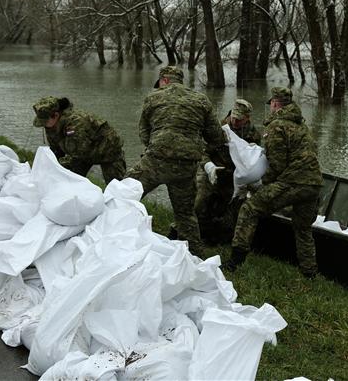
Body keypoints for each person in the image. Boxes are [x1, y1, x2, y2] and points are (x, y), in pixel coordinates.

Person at [126, 66, 225, 256]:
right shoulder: (200, 100)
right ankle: (196, 258)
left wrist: (155, 148)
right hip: (186, 166)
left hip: (156, 161)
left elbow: (144, 132)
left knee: (126, 194)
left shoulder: (153, 97)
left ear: (163, 80)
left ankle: (116, 237)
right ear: (180, 81)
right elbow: (216, 137)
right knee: (185, 214)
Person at [227, 87, 323, 277]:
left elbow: (276, 165)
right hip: (314, 184)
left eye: (271, 103)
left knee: (249, 209)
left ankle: (234, 263)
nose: (270, 107)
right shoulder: (302, 126)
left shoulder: (276, 126)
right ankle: (310, 273)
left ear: (275, 104)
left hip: (293, 181)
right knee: (303, 228)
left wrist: (261, 184)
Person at [195, 98, 262, 244]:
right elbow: (202, 151)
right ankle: (197, 234)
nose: (235, 122)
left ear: (247, 118)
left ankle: (220, 238)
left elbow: (255, 160)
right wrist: (208, 166)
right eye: (233, 118)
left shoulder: (253, 134)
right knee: (201, 201)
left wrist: (252, 151)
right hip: (213, 169)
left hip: (233, 175)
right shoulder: (219, 128)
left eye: (239, 119)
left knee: (232, 207)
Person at [32, 96, 126, 182]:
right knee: (67, 179)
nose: (43, 125)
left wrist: (58, 166)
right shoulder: (51, 126)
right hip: (83, 155)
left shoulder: (76, 124)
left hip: (108, 151)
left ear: (56, 115)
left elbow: (77, 154)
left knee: (116, 187)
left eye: (45, 121)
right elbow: (56, 151)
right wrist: (47, 165)